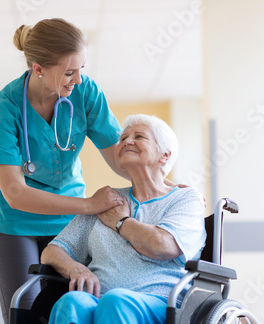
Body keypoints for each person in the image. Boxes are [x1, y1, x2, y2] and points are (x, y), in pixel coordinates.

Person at [0, 18, 128, 323]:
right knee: (26, 313)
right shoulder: (5, 108)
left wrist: (162, 184)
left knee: (71, 308)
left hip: (68, 223)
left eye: (82, 69)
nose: (77, 80)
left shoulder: (85, 93)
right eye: (69, 72)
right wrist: (89, 205)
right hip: (13, 224)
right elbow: (16, 193)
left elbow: (118, 155)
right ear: (38, 69)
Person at [41, 114, 207, 324]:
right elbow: (53, 251)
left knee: (115, 301)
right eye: (123, 138)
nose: (127, 141)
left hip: (161, 303)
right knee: (72, 303)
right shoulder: (106, 201)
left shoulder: (184, 199)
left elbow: (162, 245)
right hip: (99, 300)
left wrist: (122, 223)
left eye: (139, 136)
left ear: (164, 155)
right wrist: (76, 268)